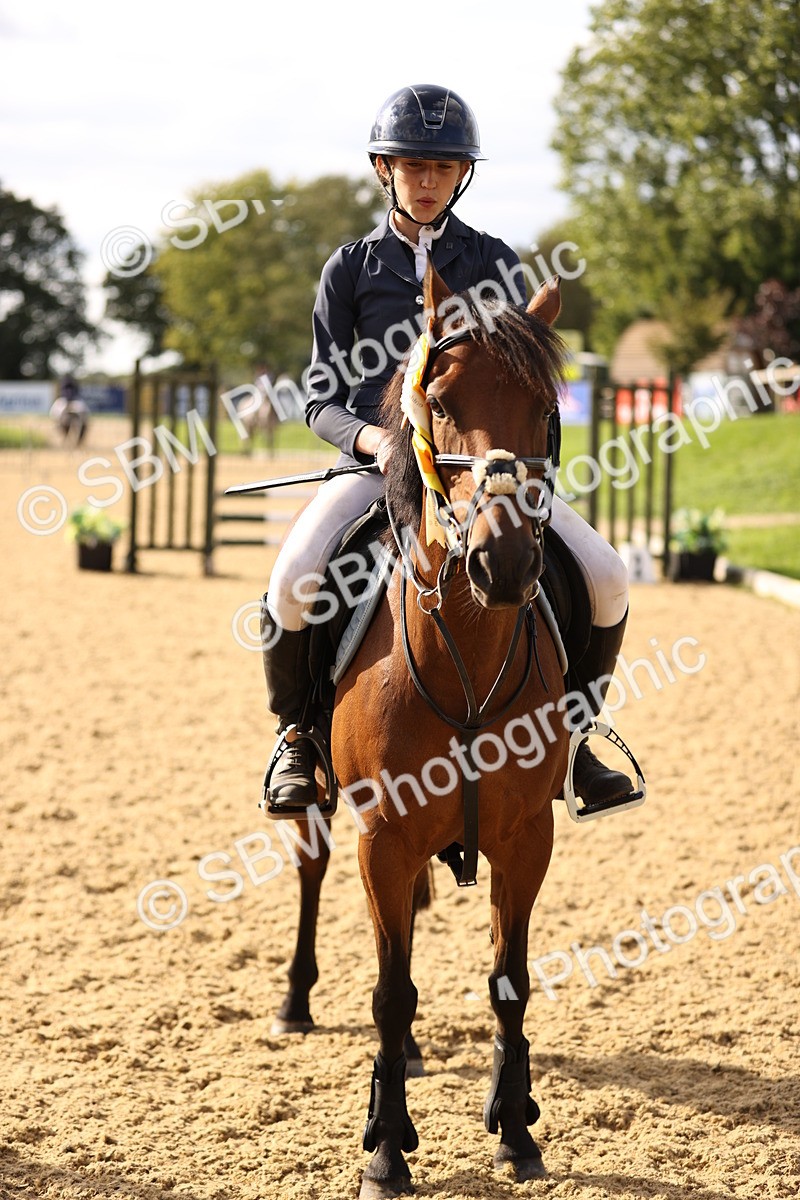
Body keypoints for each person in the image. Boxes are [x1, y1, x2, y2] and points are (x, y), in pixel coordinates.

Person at [261, 83, 634, 811]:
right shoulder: (350, 269)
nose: (428, 181)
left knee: (607, 575)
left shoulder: (494, 262)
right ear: (384, 170)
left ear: (461, 175)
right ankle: (298, 736)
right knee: (293, 577)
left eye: (443, 167)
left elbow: (528, 379)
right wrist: (374, 439)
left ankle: (577, 737)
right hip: (375, 468)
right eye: (413, 166)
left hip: (481, 474)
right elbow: (316, 400)